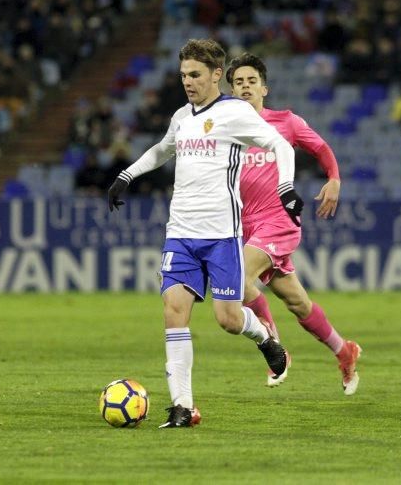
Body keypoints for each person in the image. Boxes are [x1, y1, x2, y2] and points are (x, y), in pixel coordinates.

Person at [107, 39, 303, 428]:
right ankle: (183, 407)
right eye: (183, 75)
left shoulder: (235, 112)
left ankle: (264, 338)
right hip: (180, 233)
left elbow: (280, 144)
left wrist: (286, 187)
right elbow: (163, 149)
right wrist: (126, 175)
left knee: (229, 320)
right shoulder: (182, 116)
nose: (187, 82)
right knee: (173, 312)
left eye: (195, 75)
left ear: (217, 75)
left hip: (221, 235)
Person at [225, 53, 361, 395]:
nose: (245, 87)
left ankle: (273, 344)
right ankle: (344, 351)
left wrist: (334, 178)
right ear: (231, 91)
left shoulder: (285, 122)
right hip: (247, 226)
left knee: (239, 281)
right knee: (298, 303)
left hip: (279, 219)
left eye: (251, 81)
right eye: (238, 82)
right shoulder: (225, 133)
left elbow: (321, 148)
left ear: (264, 88)